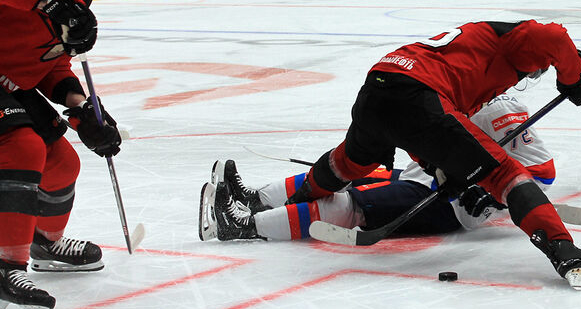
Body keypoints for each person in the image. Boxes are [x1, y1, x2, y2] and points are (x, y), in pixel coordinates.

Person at [197, 20, 581, 288]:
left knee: (348, 163)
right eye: (536, 70)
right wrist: (571, 77)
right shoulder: (512, 41)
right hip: (419, 97)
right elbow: (555, 36)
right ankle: (566, 253)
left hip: (381, 83)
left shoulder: (472, 51)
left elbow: (439, 136)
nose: (530, 76)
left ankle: (253, 202)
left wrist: (446, 167)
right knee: (507, 176)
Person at [0, 0, 124, 309]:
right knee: (22, 146)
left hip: (11, 82)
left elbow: (52, 62)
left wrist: (80, 108)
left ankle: (43, 243)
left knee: (62, 162)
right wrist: (53, 5)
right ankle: (4, 271)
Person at [200, 93, 554, 241]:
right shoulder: (458, 90)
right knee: (349, 175)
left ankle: (244, 227)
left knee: (357, 206)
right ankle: (254, 199)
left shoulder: (499, 109)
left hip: (451, 202)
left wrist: (494, 197)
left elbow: (542, 172)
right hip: (431, 175)